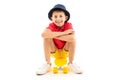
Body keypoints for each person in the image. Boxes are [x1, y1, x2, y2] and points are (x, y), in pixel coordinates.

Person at [36, 4, 82, 75]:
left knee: (73, 40)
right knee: (46, 39)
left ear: (65, 18)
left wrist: (52, 35)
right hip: (54, 51)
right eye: (55, 16)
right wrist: (64, 33)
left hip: (65, 51)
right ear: (52, 18)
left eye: (61, 16)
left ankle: (71, 62)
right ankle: (48, 64)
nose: (58, 19)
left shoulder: (68, 25)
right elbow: (43, 35)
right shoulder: (51, 25)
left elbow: (71, 38)